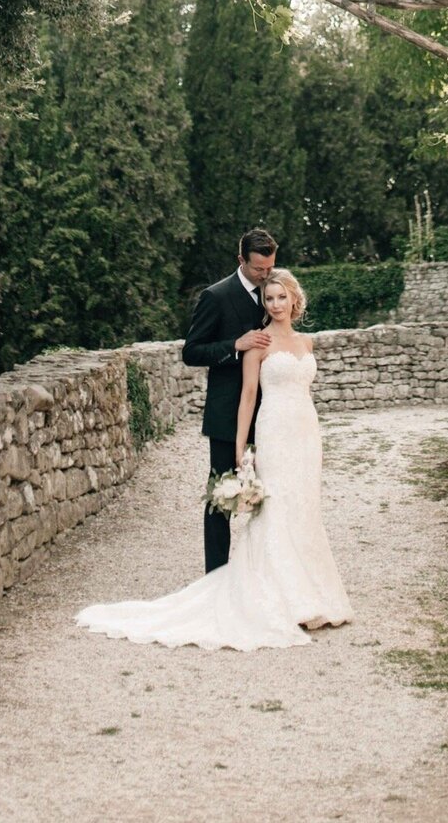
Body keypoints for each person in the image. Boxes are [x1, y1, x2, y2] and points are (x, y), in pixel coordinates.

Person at [75, 269, 352, 651]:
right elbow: (249, 395)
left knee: (304, 507)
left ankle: (313, 594)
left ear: (293, 299)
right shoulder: (259, 342)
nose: (274, 304)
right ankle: (281, 598)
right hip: (273, 431)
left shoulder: (307, 342)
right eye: (268, 299)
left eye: (280, 297)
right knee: (277, 509)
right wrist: (241, 446)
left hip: (305, 433)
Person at [182, 227, 277, 573]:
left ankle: (264, 574)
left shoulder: (274, 291)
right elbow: (191, 352)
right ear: (241, 260)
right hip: (226, 414)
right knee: (220, 498)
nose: (265, 276)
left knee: (271, 496)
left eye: (269, 268)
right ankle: (216, 576)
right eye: (258, 270)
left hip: (269, 413)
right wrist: (234, 346)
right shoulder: (216, 296)